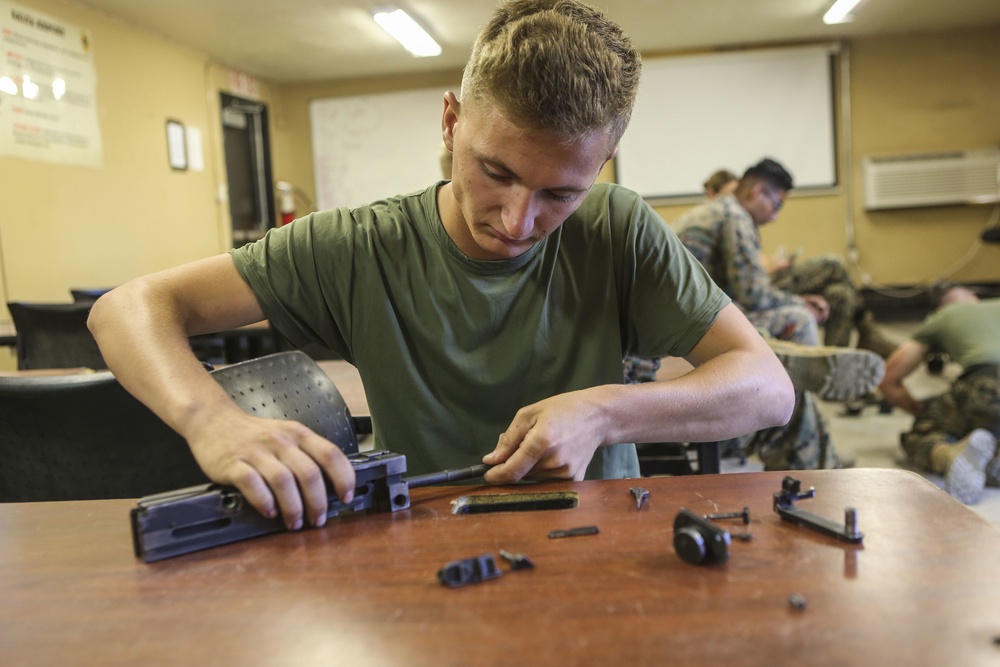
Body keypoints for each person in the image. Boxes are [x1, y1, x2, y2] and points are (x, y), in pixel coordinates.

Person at [88, 0, 793, 532]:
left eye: (560, 193)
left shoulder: (619, 228)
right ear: (452, 121)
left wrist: (605, 411)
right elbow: (127, 308)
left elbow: (767, 388)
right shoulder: (361, 245)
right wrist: (215, 422)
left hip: (595, 532)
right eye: (494, 171)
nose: (517, 222)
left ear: (600, 166)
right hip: (422, 540)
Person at [676, 159, 895, 357]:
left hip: (692, 312)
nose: (775, 217)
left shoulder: (723, 210)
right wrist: (800, 303)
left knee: (838, 295)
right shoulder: (735, 217)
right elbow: (754, 295)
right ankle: (799, 396)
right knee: (801, 319)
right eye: (776, 205)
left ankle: (835, 360)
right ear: (758, 191)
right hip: (695, 324)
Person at [879, 282, 1000, 504]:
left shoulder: (944, 317)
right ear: (973, 295)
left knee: (922, 433)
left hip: (988, 384)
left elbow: (888, 378)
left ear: (939, 308)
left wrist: (917, 409)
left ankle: (948, 456)